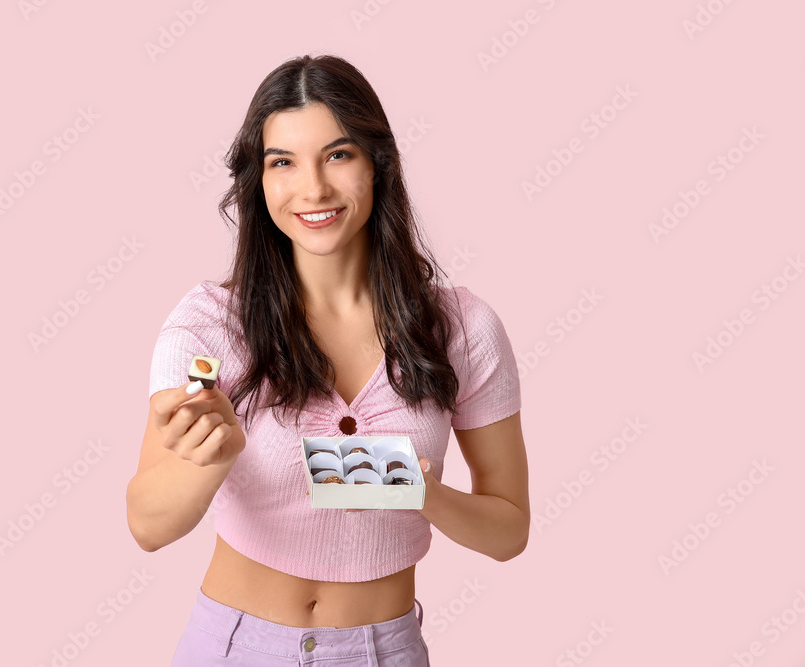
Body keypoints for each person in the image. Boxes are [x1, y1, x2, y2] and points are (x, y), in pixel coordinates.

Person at [126, 53, 530, 666]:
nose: (312, 188)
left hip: (383, 649)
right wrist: (212, 458)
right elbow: (147, 526)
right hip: (233, 646)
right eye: (282, 162)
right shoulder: (209, 325)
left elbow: (508, 532)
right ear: (258, 182)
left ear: (377, 165)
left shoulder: (463, 328)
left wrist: (420, 492)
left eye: (338, 155)